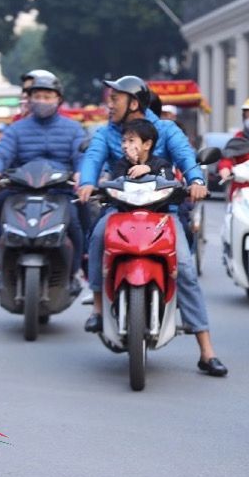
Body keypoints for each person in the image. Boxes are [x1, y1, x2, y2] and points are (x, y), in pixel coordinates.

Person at [76, 76, 227, 377]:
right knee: (96, 238)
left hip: (163, 213)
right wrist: (87, 182)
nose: (109, 103)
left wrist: (196, 181)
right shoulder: (108, 133)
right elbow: (92, 159)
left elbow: (186, 158)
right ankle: (96, 306)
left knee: (184, 265)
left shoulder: (166, 130)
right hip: (118, 210)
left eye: (115, 99)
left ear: (133, 103)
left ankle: (206, 351)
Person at [0, 70, 86, 289]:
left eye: (47, 97)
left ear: (58, 99)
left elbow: (82, 156)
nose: (42, 101)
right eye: (37, 96)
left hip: (60, 190)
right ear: (29, 99)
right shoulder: (16, 129)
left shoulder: (74, 129)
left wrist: (81, 174)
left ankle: (76, 268)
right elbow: (2, 153)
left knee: (78, 220)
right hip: (22, 189)